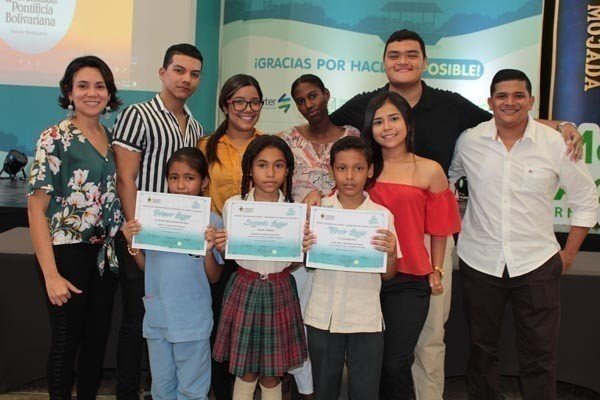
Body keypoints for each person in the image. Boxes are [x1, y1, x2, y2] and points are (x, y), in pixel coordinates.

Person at [330, 29, 583, 400]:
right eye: (394, 55)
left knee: (430, 339)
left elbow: (503, 117)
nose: (403, 61)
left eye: (411, 55)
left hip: (430, 241)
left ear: (425, 62)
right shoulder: (367, 103)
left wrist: (560, 125)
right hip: (369, 243)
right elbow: (326, 132)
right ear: (383, 62)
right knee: (370, 338)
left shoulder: (449, 104)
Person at [448, 69, 597, 400]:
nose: (510, 102)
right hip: (479, 261)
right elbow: (449, 180)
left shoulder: (556, 144)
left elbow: (587, 200)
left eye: (518, 96)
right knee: (481, 351)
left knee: (540, 356)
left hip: (537, 263)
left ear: (531, 101)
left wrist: (569, 254)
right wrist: (457, 228)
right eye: (502, 96)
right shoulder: (470, 140)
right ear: (489, 102)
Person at [27, 55, 123, 399]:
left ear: (109, 93)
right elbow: (36, 210)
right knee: (66, 343)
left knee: (96, 342)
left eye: (100, 86)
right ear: (69, 92)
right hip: (66, 255)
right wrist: (51, 274)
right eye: (82, 85)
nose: (92, 93)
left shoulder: (112, 139)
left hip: (104, 258)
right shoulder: (54, 138)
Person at [112, 43, 205, 400]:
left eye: (194, 74)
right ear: (162, 72)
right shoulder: (139, 115)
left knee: (167, 325)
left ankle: (159, 391)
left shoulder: (195, 125)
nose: (186, 79)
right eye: (179, 70)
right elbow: (126, 180)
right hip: (143, 237)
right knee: (138, 321)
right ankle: (127, 393)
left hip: (180, 246)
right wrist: (137, 235)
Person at [361, 91, 461, 399]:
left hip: (409, 279)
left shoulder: (429, 169)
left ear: (407, 122)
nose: (387, 127)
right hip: (362, 277)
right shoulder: (362, 168)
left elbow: (440, 228)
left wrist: (436, 269)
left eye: (394, 118)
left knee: (396, 361)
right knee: (370, 363)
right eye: (378, 121)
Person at [279, 74, 360, 399]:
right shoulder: (286, 139)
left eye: (313, 96)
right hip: (298, 245)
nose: (308, 105)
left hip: (339, 244)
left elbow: (359, 179)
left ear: (326, 95)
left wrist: (323, 197)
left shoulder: (351, 136)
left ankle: (322, 387)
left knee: (325, 321)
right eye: (300, 100)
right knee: (295, 318)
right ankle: (298, 386)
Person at [121, 147, 225, 400]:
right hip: (158, 318)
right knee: (161, 387)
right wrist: (132, 245)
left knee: (192, 389)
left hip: (193, 320)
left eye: (189, 178)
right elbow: (147, 268)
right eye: (174, 177)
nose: (180, 185)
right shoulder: (151, 218)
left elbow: (214, 277)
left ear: (204, 182)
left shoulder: (213, 222)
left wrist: (209, 249)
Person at [301, 136, 399, 400]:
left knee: (365, 391)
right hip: (323, 314)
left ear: (370, 170)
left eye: (358, 168)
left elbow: (389, 274)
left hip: (364, 316)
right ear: (332, 170)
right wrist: (305, 247)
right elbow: (304, 262)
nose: (349, 176)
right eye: (342, 168)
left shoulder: (381, 216)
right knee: (324, 390)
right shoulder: (318, 210)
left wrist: (390, 253)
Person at [212, 135, 308, 400]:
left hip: (279, 289)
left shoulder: (294, 211)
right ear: (250, 169)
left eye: (278, 165)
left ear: (288, 170)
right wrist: (221, 247)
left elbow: (295, 261)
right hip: (244, 288)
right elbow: (230, 254)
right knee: (245, 371)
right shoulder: (234, 206)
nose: (270, 173)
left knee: (272, 372)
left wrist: (304, 249)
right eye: (262, 165)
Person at [198, 74, 264, 399]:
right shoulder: (205, 146)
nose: (247, 109)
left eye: (254, 102)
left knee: (255, 334)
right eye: (239, 101)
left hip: (257, 253)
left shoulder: (269, 145)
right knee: (220, 328)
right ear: (227, 105)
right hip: (218, 253)